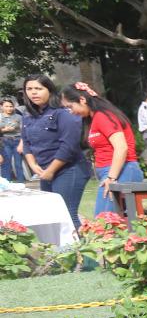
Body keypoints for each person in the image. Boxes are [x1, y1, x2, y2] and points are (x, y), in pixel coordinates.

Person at [19, 75, 89, 229]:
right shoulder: (28, 116)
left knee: (67, 216)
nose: (33, 93)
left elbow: (69, 146)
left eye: (38, 88)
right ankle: (64, 253)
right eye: (29, 89)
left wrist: (51, 170)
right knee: (55, 217)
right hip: (45, 171)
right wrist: (32, 164)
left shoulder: (63, 112)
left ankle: (84, 253)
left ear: (49, 90)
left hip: (69, 169)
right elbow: (26, 143)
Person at [61, 87, 145, 214]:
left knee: (105, 222)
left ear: (82, 100)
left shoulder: (103, 116)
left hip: (122, 171)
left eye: (70, 106)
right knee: (104, 223)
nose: (70, 112)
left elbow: (121, 147)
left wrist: (111, 178)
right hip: (111, 173)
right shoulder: (92, 119)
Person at [0, 98, 23, 181]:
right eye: (6, 106)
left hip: (17, 140)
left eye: (11, 106)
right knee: (6, 164)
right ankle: (7, 184)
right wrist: (4, 130)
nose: (9, 108)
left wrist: (22, 143)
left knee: (18, 164)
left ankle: (21, 183)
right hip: (5, 141)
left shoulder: (19, 117)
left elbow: (24, 131)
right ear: (1, 106)